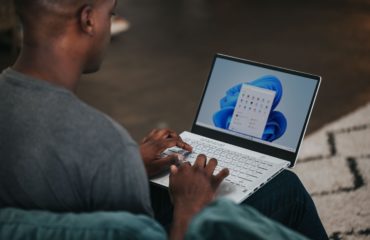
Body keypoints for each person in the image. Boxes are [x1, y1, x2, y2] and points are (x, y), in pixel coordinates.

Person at [0, 0, 328, 239]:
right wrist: (190, 205)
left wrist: (131, 164)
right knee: (287, 189)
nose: (110, 22)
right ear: (88, 20)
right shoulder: (102, 142)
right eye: (110, 13)